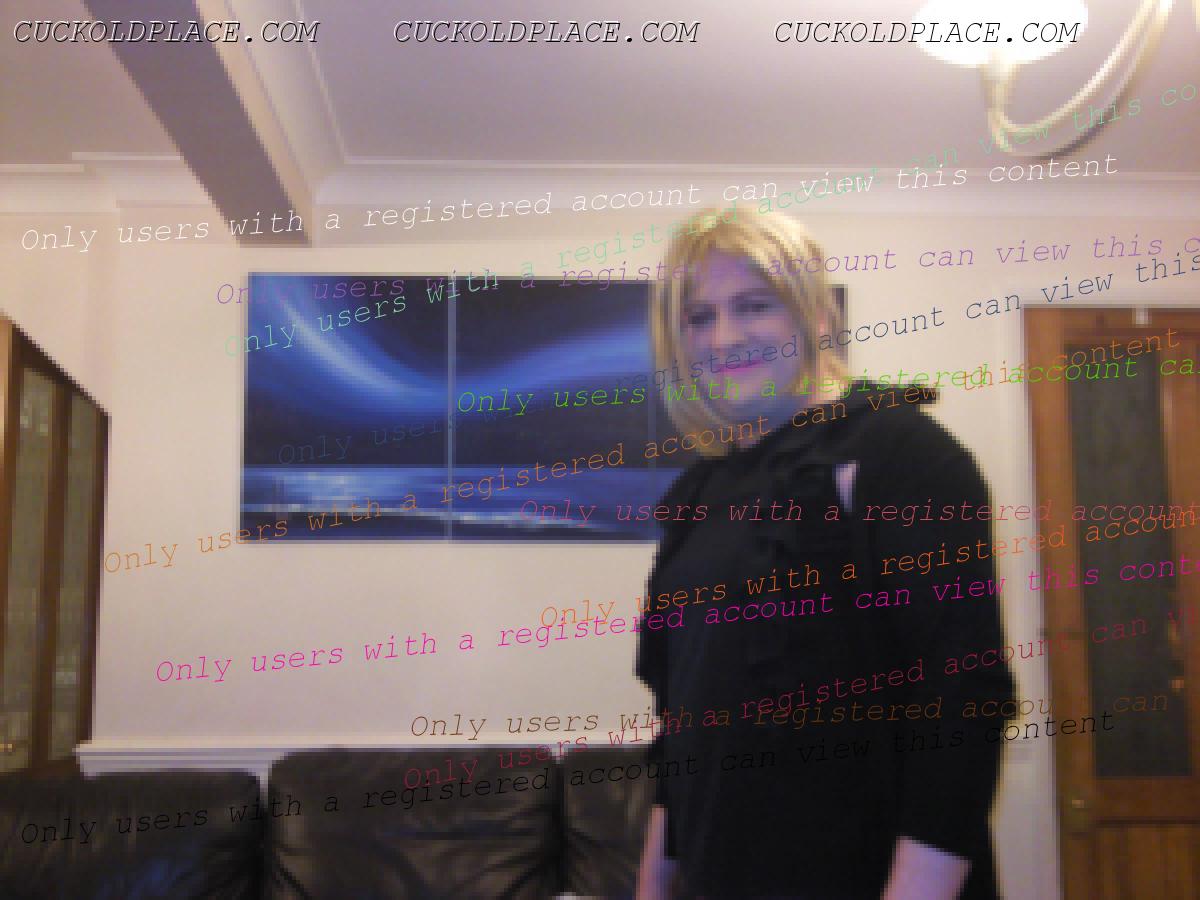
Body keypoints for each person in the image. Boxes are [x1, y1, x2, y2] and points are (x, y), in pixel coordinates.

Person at [634, 210, 1015, 899]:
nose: (724, 337)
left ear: (813, 313)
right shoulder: (698, 494)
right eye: (698, 317)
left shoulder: (899, 453)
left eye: (755, 305)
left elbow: (962, 706)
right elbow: (682, 739)